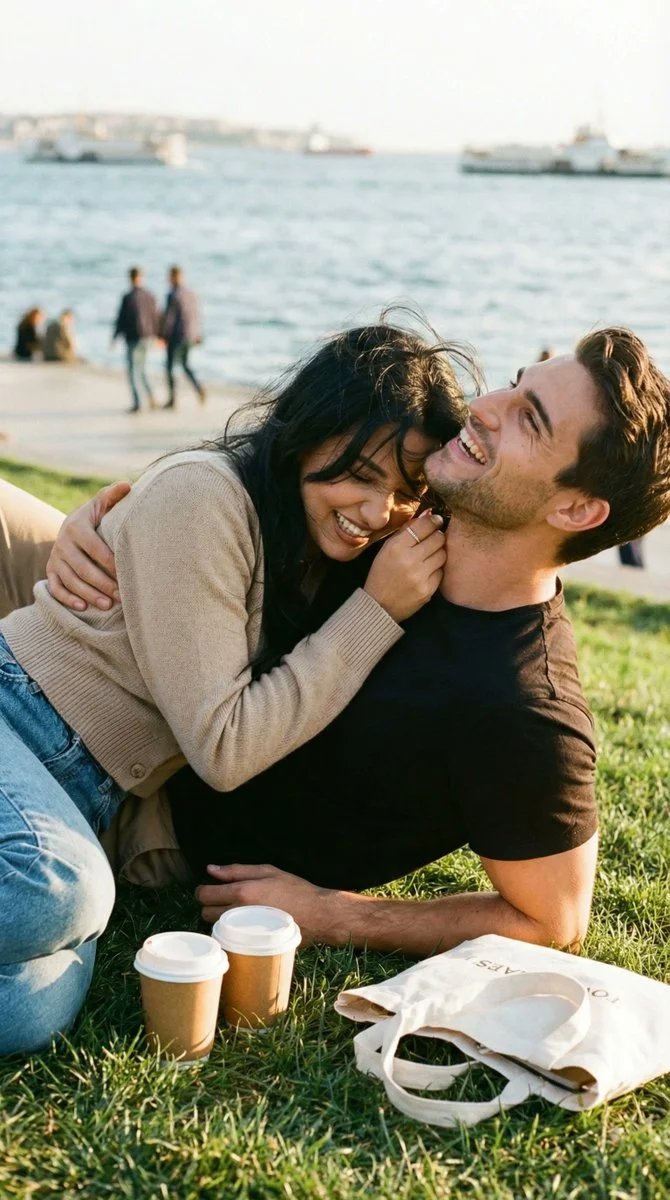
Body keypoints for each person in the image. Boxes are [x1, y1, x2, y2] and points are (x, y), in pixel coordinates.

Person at [45, 327, 670, 962]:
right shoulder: (411, 519)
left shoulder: (524, 707)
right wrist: (96, 526)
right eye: (513, 385)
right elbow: (256, 492)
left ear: (575, 511)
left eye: (529, 419)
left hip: (145, 803)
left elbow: (555, 920)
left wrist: (337, 914)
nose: (483, 407)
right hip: (125, 668)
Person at [0, 317, 465, 1054]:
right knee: (59, 890)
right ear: (305, 434)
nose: (379, 513)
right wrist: (376, 613)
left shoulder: (316, 552)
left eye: (407, 492)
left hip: (72, 797)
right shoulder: (205, 495)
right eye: (360, 473)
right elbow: (224, 747)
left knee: (34, 1010)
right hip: (14, 718)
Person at [112, 268, 160, 412]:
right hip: (148, 337)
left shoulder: (128, 297)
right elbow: (156, 316)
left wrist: (115, 337)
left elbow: (121, 319)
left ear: (130, 279)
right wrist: (159, 335)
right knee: (144, 368)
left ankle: (138, 403)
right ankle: (151, 396)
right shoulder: (150, 295)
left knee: (133, 371)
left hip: (134, 337)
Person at [160, 265, 205, 408]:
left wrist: (163, 336)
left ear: (172, 277)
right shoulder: (191, 293)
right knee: (185, 365)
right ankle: (199, 389)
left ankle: (172, 399)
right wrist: (197, 334)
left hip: (176, 336)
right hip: (190, 335)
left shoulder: (172, 295)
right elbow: (196, 315)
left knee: (169, 367)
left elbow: (169, 318)